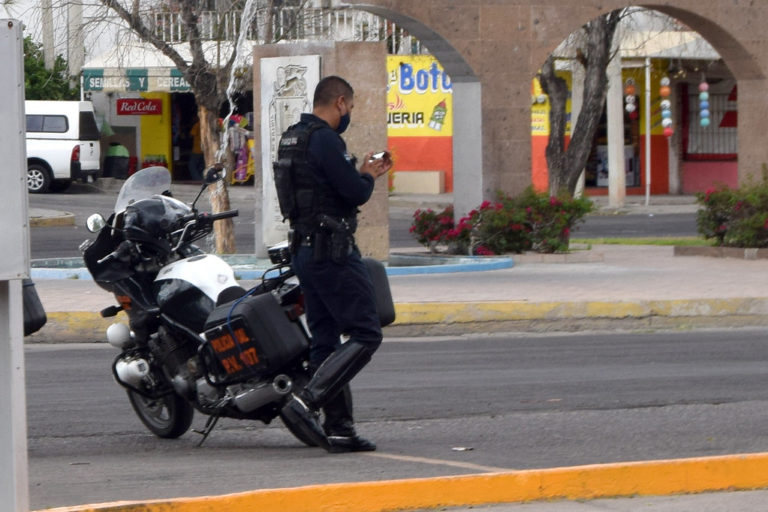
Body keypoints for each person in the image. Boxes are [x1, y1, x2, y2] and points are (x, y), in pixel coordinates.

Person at [275, 76, 392, 453]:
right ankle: (307, 400)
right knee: (366, 333)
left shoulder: (292, 137)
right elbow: (354, 192)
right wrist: (368, 174)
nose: (349, 114)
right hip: (332, 251)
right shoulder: (325, 139)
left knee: (325, 340)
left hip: (304, 249)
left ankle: (339, 428)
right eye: (350, 107)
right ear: (340, 102)